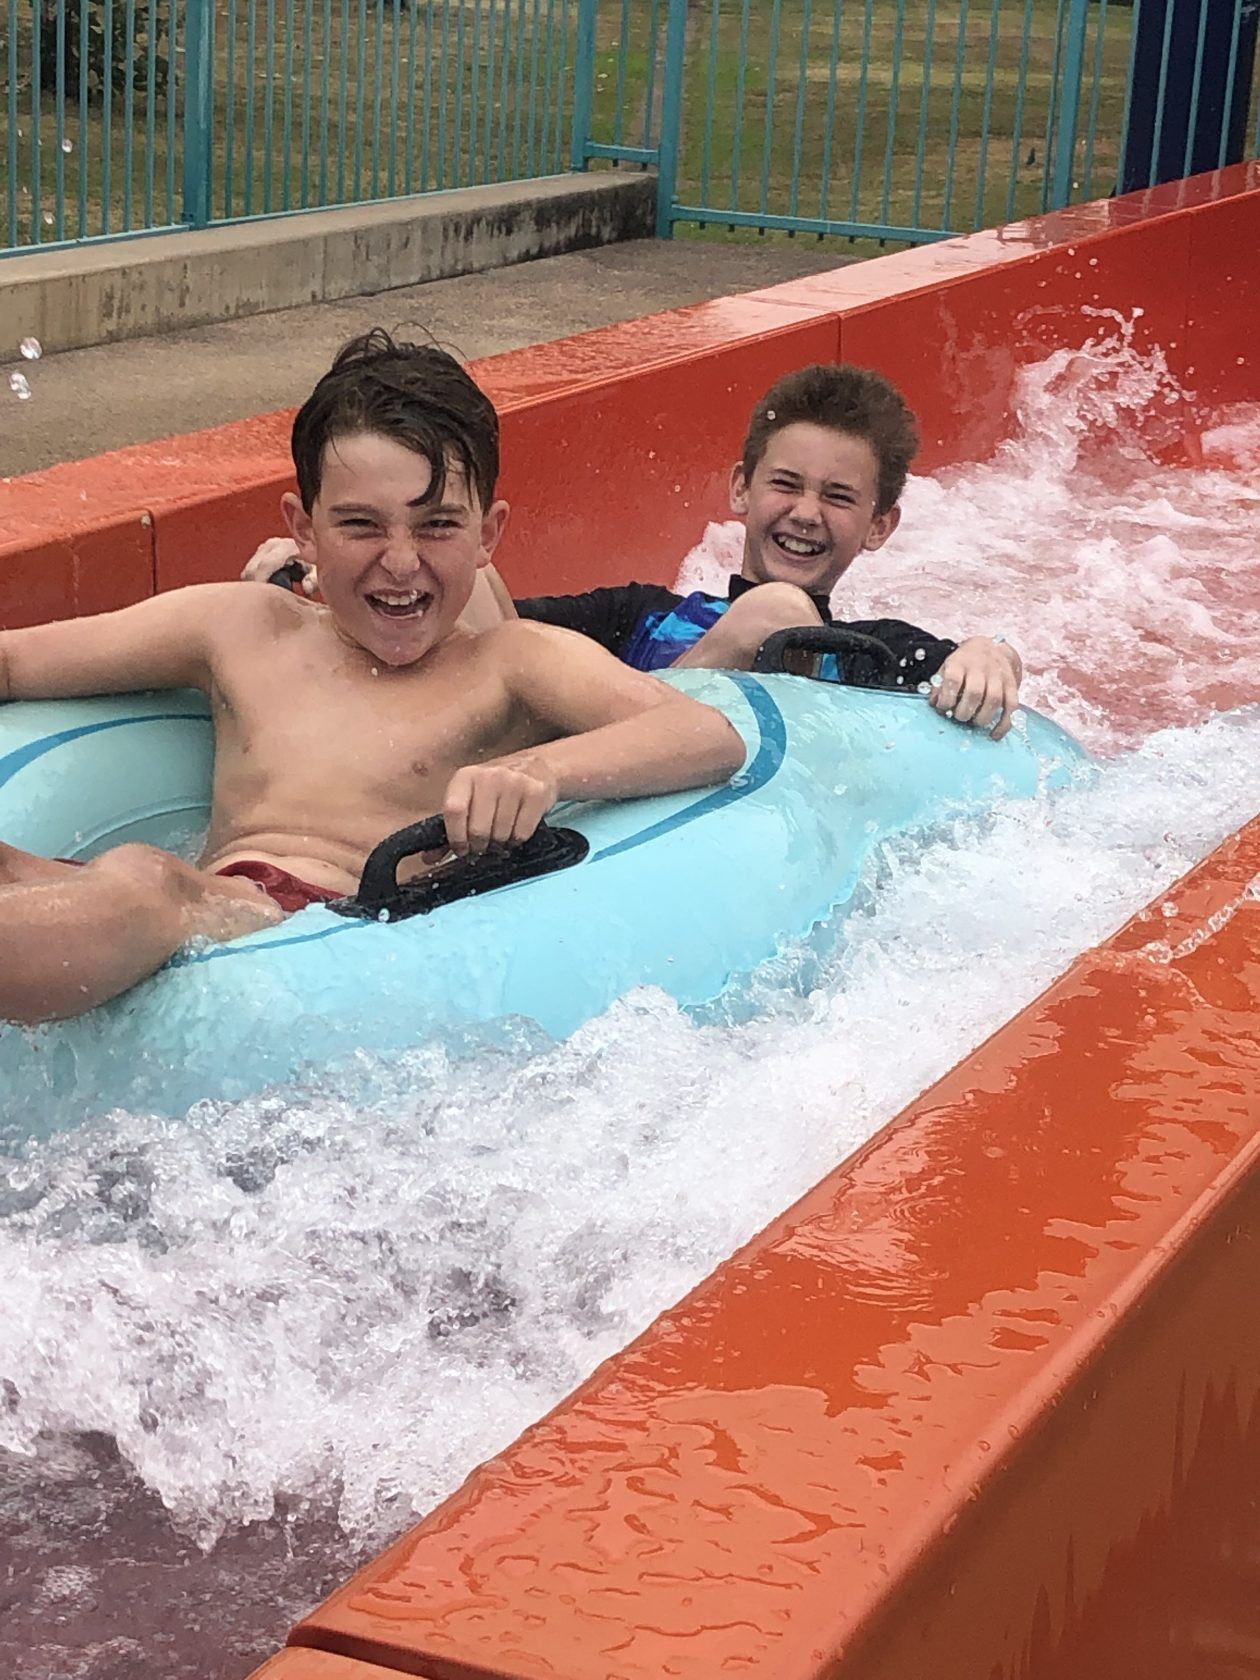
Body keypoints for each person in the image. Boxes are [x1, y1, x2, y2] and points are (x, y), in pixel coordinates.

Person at [0, 331, 745, 1025]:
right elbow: (15, 660)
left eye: (437, 525)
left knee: (143, 878)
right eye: (361, 524)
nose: (401, 561)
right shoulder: (239, 627)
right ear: (303, 529)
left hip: (316, 933)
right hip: (204, 903)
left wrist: (541, 771)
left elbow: (703, 734)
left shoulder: (511, 663)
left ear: (488, 535)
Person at [246, 362, 1023, 738]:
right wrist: (319, 570)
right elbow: (482, 624)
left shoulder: (869, 652)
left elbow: (946, 670)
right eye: (786, 485)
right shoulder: (640, 616)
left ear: (880, 526)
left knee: (776, 612)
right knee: (476, 580)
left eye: (839, 498)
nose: (805, 513)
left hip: (682, 788)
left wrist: (991, 653)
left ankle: (662, 726)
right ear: (741, 489)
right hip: (561, 773)